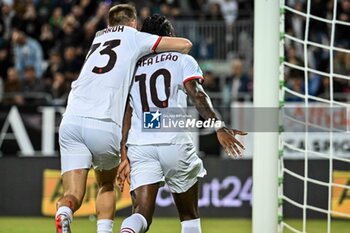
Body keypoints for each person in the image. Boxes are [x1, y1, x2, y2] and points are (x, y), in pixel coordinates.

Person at [55, 4, 192, 233]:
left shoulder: (97, 39)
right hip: (103, 122)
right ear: (133, 22)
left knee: (72, 195)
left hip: (71, 120)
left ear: (109, 24)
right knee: (106, 183)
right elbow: (184, 45)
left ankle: (64, 212)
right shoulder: (134, 36)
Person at [117, 14, 247, 233]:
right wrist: (218, 126)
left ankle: (127, 231)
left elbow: (126, 114)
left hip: (141, 145)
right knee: (188, 216)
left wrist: (123, 151)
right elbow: (198, 95)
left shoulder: (133, 68)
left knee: (140, 214)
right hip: (174, 142)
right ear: (170, 36)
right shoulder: (182, 60)